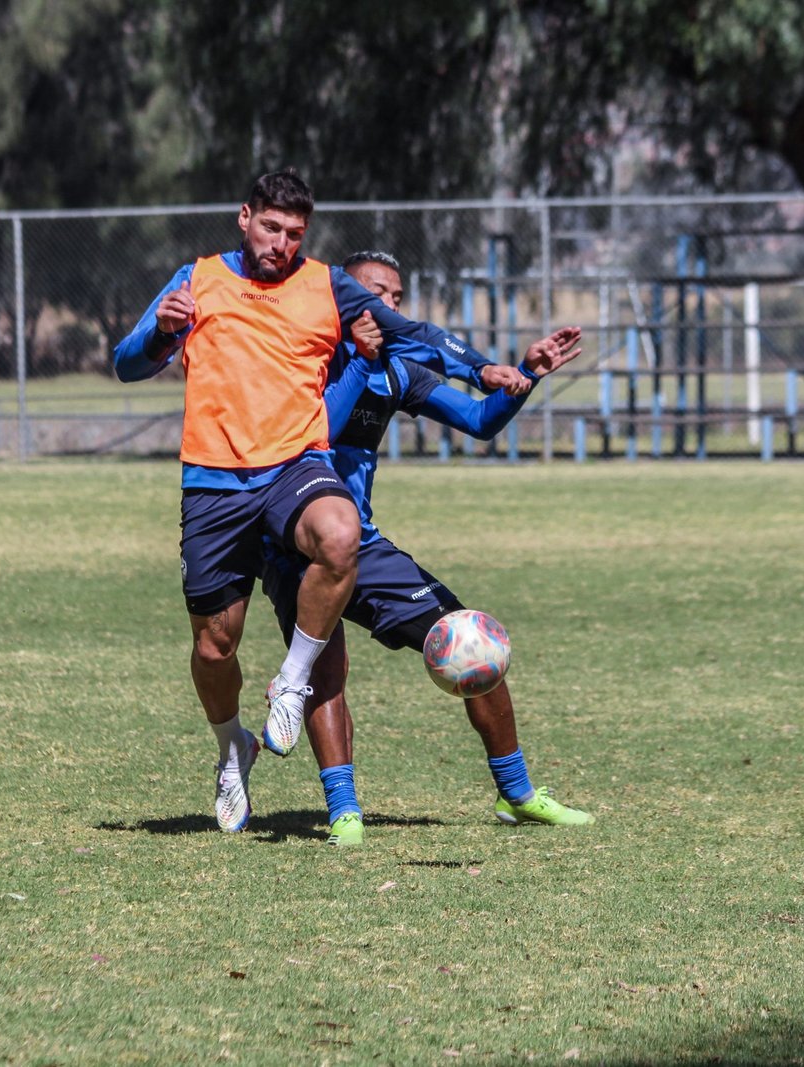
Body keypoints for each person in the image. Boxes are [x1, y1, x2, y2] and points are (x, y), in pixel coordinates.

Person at [113, 172, 530, 833]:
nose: (282, 243)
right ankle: (232, 749)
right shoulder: (195, 279)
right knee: (215, 647)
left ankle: (291, 683)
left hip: (290, 469)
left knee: (340, 534)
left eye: (295, 233)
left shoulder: (327, 286)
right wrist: (161, 336)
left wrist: (484, 369)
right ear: (244, 217)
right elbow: (127, 363)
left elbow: (412, 333)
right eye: (271, 228)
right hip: (214, 484)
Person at [262, 250, 592, 846]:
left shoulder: (397, 368)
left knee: (468, 638)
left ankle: (516, 794)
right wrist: (360, 360)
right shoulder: (307, 357)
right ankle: (344, 811)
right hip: (294, 545)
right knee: (324, 666)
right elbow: (321, 429)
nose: (387, 305)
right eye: (373, 292)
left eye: (395, 295)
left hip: (363, 545)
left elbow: (479, 418)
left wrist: (527, 372)